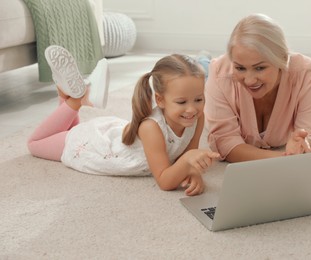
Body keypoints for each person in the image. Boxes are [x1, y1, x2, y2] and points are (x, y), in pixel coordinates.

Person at [28, 45, 220, 196]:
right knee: (34, 144)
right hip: (96, 146)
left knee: (70, 129)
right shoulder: (151, 128)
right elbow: (164, 181)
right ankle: (77, 100)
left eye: (198, 99)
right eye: (181, 101)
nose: (192, 109)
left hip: (113, 135)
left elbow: (187, 155)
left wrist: (193, 171)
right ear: (160, 99)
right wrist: (187, 161)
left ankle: (66, 92)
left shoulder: (197, 117)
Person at [202, 14, 311, 163]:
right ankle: (202, 59)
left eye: (259, 68)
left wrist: (304, 146)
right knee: (196, 71)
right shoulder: (219, 73)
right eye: (240, 68)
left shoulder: (308, 73)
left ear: (282, 58)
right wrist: (286, 158)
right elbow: (226, 143)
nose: (249, 80)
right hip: (206, 74)